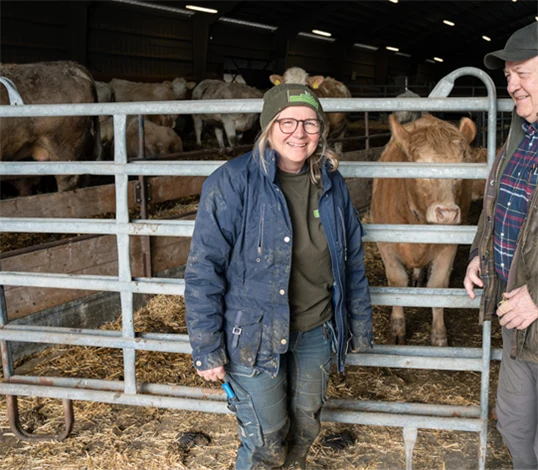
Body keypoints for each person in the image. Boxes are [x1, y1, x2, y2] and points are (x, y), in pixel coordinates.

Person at [184, 83, 373, 469]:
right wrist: (206, 348)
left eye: (309, 123)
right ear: (268, 127)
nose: (298, 134)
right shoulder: (231, 182)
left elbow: (352, 260)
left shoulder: (333, 184)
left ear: (322, 130)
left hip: (317, 330)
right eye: (286, 122)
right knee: (266, 441)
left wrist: (357, 327)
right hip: (252, 335)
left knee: (305, 427)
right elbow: (204, 269)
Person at [464, 22, 538, 470]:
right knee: (513, 424)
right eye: (507, 76)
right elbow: (497, 206)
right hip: (516, 313)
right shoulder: (522, 137)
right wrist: (479, 255)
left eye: (522, 73)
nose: (511, 85)